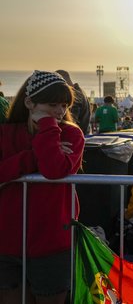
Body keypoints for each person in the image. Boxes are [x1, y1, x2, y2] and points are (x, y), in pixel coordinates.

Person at [0, 70, 84, 304]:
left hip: (52, 241)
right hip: (7, 241)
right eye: (52, 104)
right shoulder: (6, 134)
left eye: (64, 105)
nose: (60, 111)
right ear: (29, 102)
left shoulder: (71, 134)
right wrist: (34, 156)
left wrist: (47, 124)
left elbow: (54, 170)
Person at [54, 70, 91, 134]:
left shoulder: (75, 96)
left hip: (75, 136)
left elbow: (72, 120)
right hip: (82, 134)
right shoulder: (80, 92)